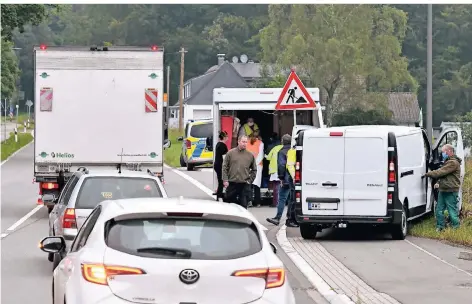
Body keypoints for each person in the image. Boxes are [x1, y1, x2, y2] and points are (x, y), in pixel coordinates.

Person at [422, 144, 462, 231]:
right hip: (443, 189)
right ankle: (440, 227)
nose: (442, 154)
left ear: (449, 151)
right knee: (439, 210)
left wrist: (427, 174)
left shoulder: (453, 163)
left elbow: (441, 172)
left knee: (452, 211)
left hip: (451, 190)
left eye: (443, 152)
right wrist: (439, 182)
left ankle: (456, 228)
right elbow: (446, 176)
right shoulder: (448, 162)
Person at [266, 134, 298, 227]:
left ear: (282, 141)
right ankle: (290, 219)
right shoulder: (294, 150)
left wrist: (281, 178)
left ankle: (277, 218)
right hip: (293, 177)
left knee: (282, 198)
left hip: (286, 178)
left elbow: (281, 165)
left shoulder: (282, 151)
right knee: (292, 199)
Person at [222, 135, 257, 209]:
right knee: (230, 206)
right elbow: (224, 167)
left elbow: (254, 169)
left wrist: (250, 181)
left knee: (244, 206)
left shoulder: (250, 155)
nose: (244, 144)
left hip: (244, 184)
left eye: (246, 142)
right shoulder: (230, 153)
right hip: (232, 183)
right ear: (238, 141)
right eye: (243, 142)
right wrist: (225, 180)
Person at [246, 130, 264, 207]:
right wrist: (255, 164)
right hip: (258, 166)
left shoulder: (246, 143)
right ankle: (258, 202)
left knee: (249, 184)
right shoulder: (260, 143)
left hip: (248, 165)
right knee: (257, 185)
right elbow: (261, 155)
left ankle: (249, 201)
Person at [265, 137, 283, 207]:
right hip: (283, 170)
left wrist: (265, 155)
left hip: (275, 170)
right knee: (283, 187)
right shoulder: (285, 148)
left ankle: (275, 203)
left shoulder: (274, 148)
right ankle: (282, 202)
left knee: (276, 187)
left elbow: (268, 157)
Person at [213, 131, 229, 201]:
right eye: (227, 137)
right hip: (220, 165)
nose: (228, 138)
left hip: (216, 164)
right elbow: (224, 157)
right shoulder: (223, 145)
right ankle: (219, 196)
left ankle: (219, 195)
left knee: (220, 181)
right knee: (221, 181)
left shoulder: (218, 144)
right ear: (224, 137)